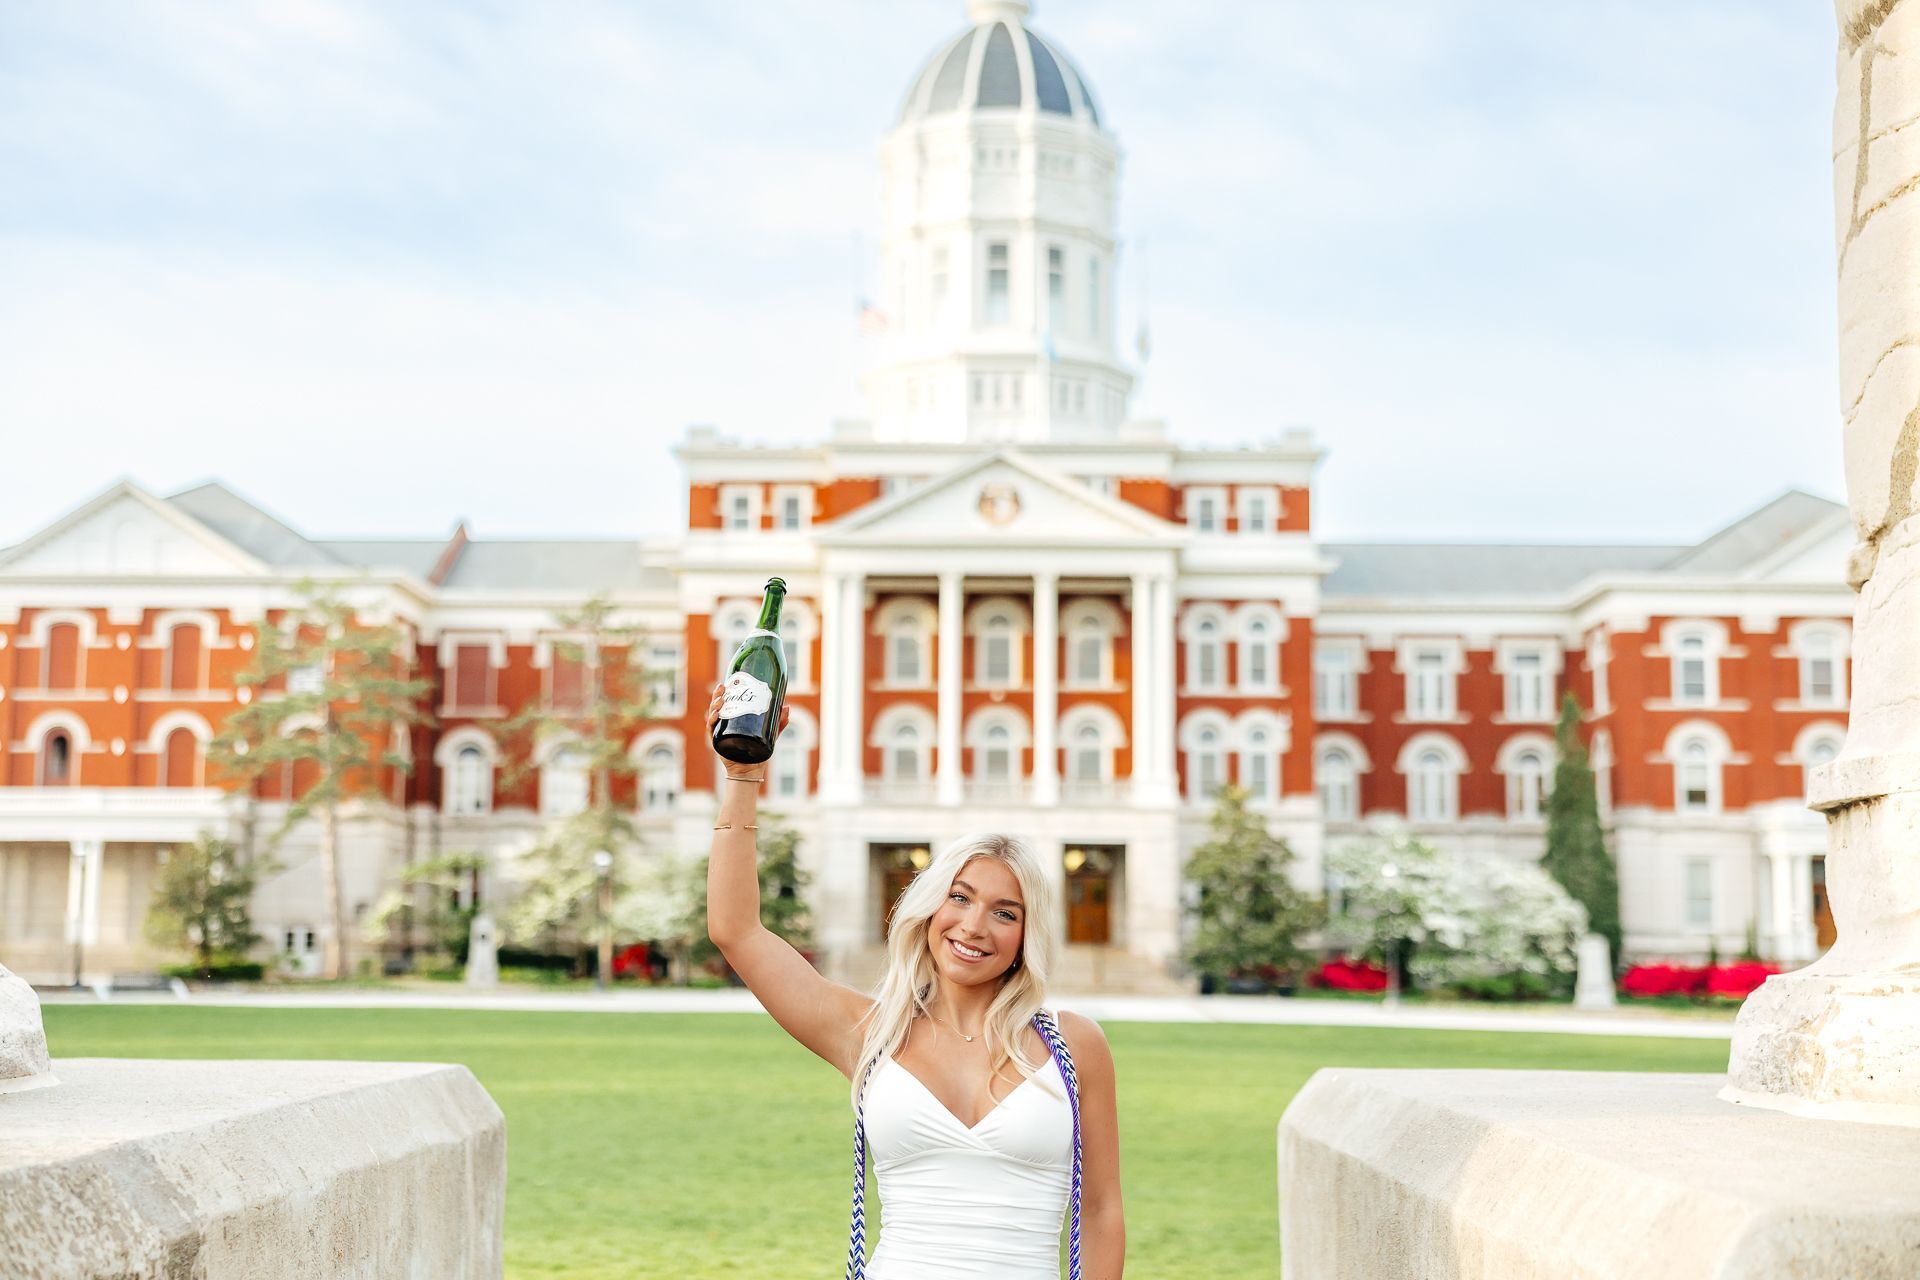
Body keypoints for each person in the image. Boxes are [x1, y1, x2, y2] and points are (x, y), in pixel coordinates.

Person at [704, 683, 1125, 1279]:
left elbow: (1103, 1210)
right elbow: (737, 930)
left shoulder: (1075, 1044)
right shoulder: (870, 1032)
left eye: (1005, 912)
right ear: (931, 907)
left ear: (1026, 934)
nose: (975, 926)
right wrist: (741, 779)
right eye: (960, 898)